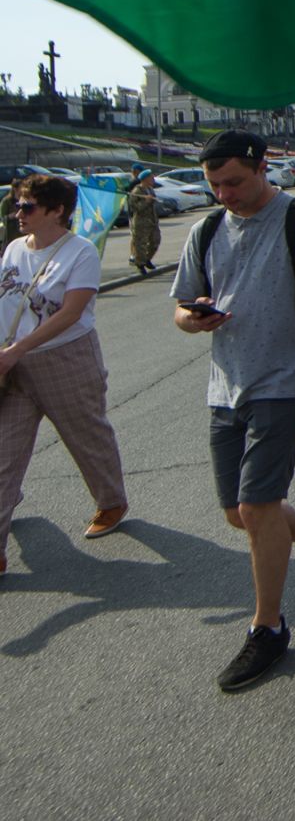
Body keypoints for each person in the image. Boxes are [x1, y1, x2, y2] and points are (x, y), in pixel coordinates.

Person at [171, 130, 295, 693]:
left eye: (234, 182)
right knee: (240, 513)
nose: (224, 194)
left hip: (285, 385)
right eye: (214, 184)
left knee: (258, 504)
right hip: (226, 387)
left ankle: (267, 627)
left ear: (261, 167)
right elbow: (180, 307)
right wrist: (192, 320)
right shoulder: (204, 230)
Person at [0, 174, 130, 575]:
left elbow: (72, 313)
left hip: (65, 359)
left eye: (28, 206)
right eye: (17, 205)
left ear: (57, 211)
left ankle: (111, 501)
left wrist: (18, 350)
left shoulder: (80, 253)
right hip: (13, 365)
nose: (17, 213)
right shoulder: (12, 249)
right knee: (3, 456)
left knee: (87, 438)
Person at [128, 169, 160, 275]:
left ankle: (147, 259)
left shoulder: (150, 189)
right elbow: (135, 208)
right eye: (151, 178)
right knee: (140, 244)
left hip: (152, 221)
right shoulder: (137, 192)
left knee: (155, 241)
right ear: (145, 179)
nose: (153, 180)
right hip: (141, 222)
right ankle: (140, 264)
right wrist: (146, 202)